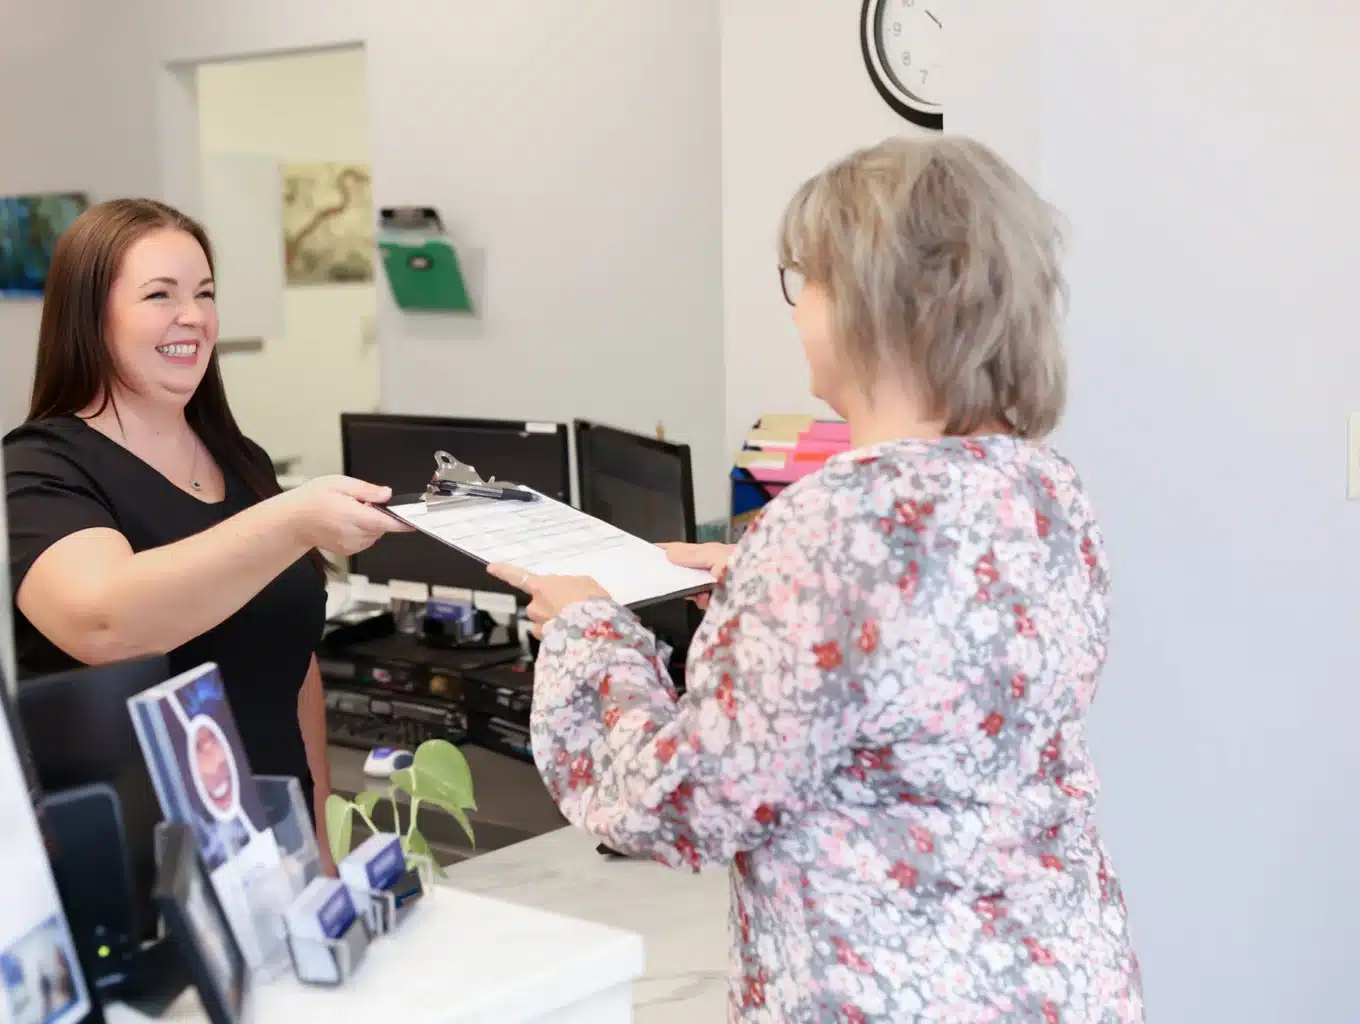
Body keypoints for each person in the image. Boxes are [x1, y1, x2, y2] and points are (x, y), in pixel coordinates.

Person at [488, 137, 1144, 1021]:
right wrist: (753, 584)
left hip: (886, 995)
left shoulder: (834, 523)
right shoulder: (1043, 487)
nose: (800, 312)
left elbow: (682, 804)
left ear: (875, 304)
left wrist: (586, 631)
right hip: (1059, 981)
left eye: (811, 283)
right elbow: (924, 677)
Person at [4, 198, 406, 869]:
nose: (192, 316)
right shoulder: (38, 468)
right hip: (143, 872)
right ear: (89, 315)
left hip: (275, 855)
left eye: (205, 293)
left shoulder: (239, 460)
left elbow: (293, 667)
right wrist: (293, 519)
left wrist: (319, 851)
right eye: (160, 295)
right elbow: (103, 622)